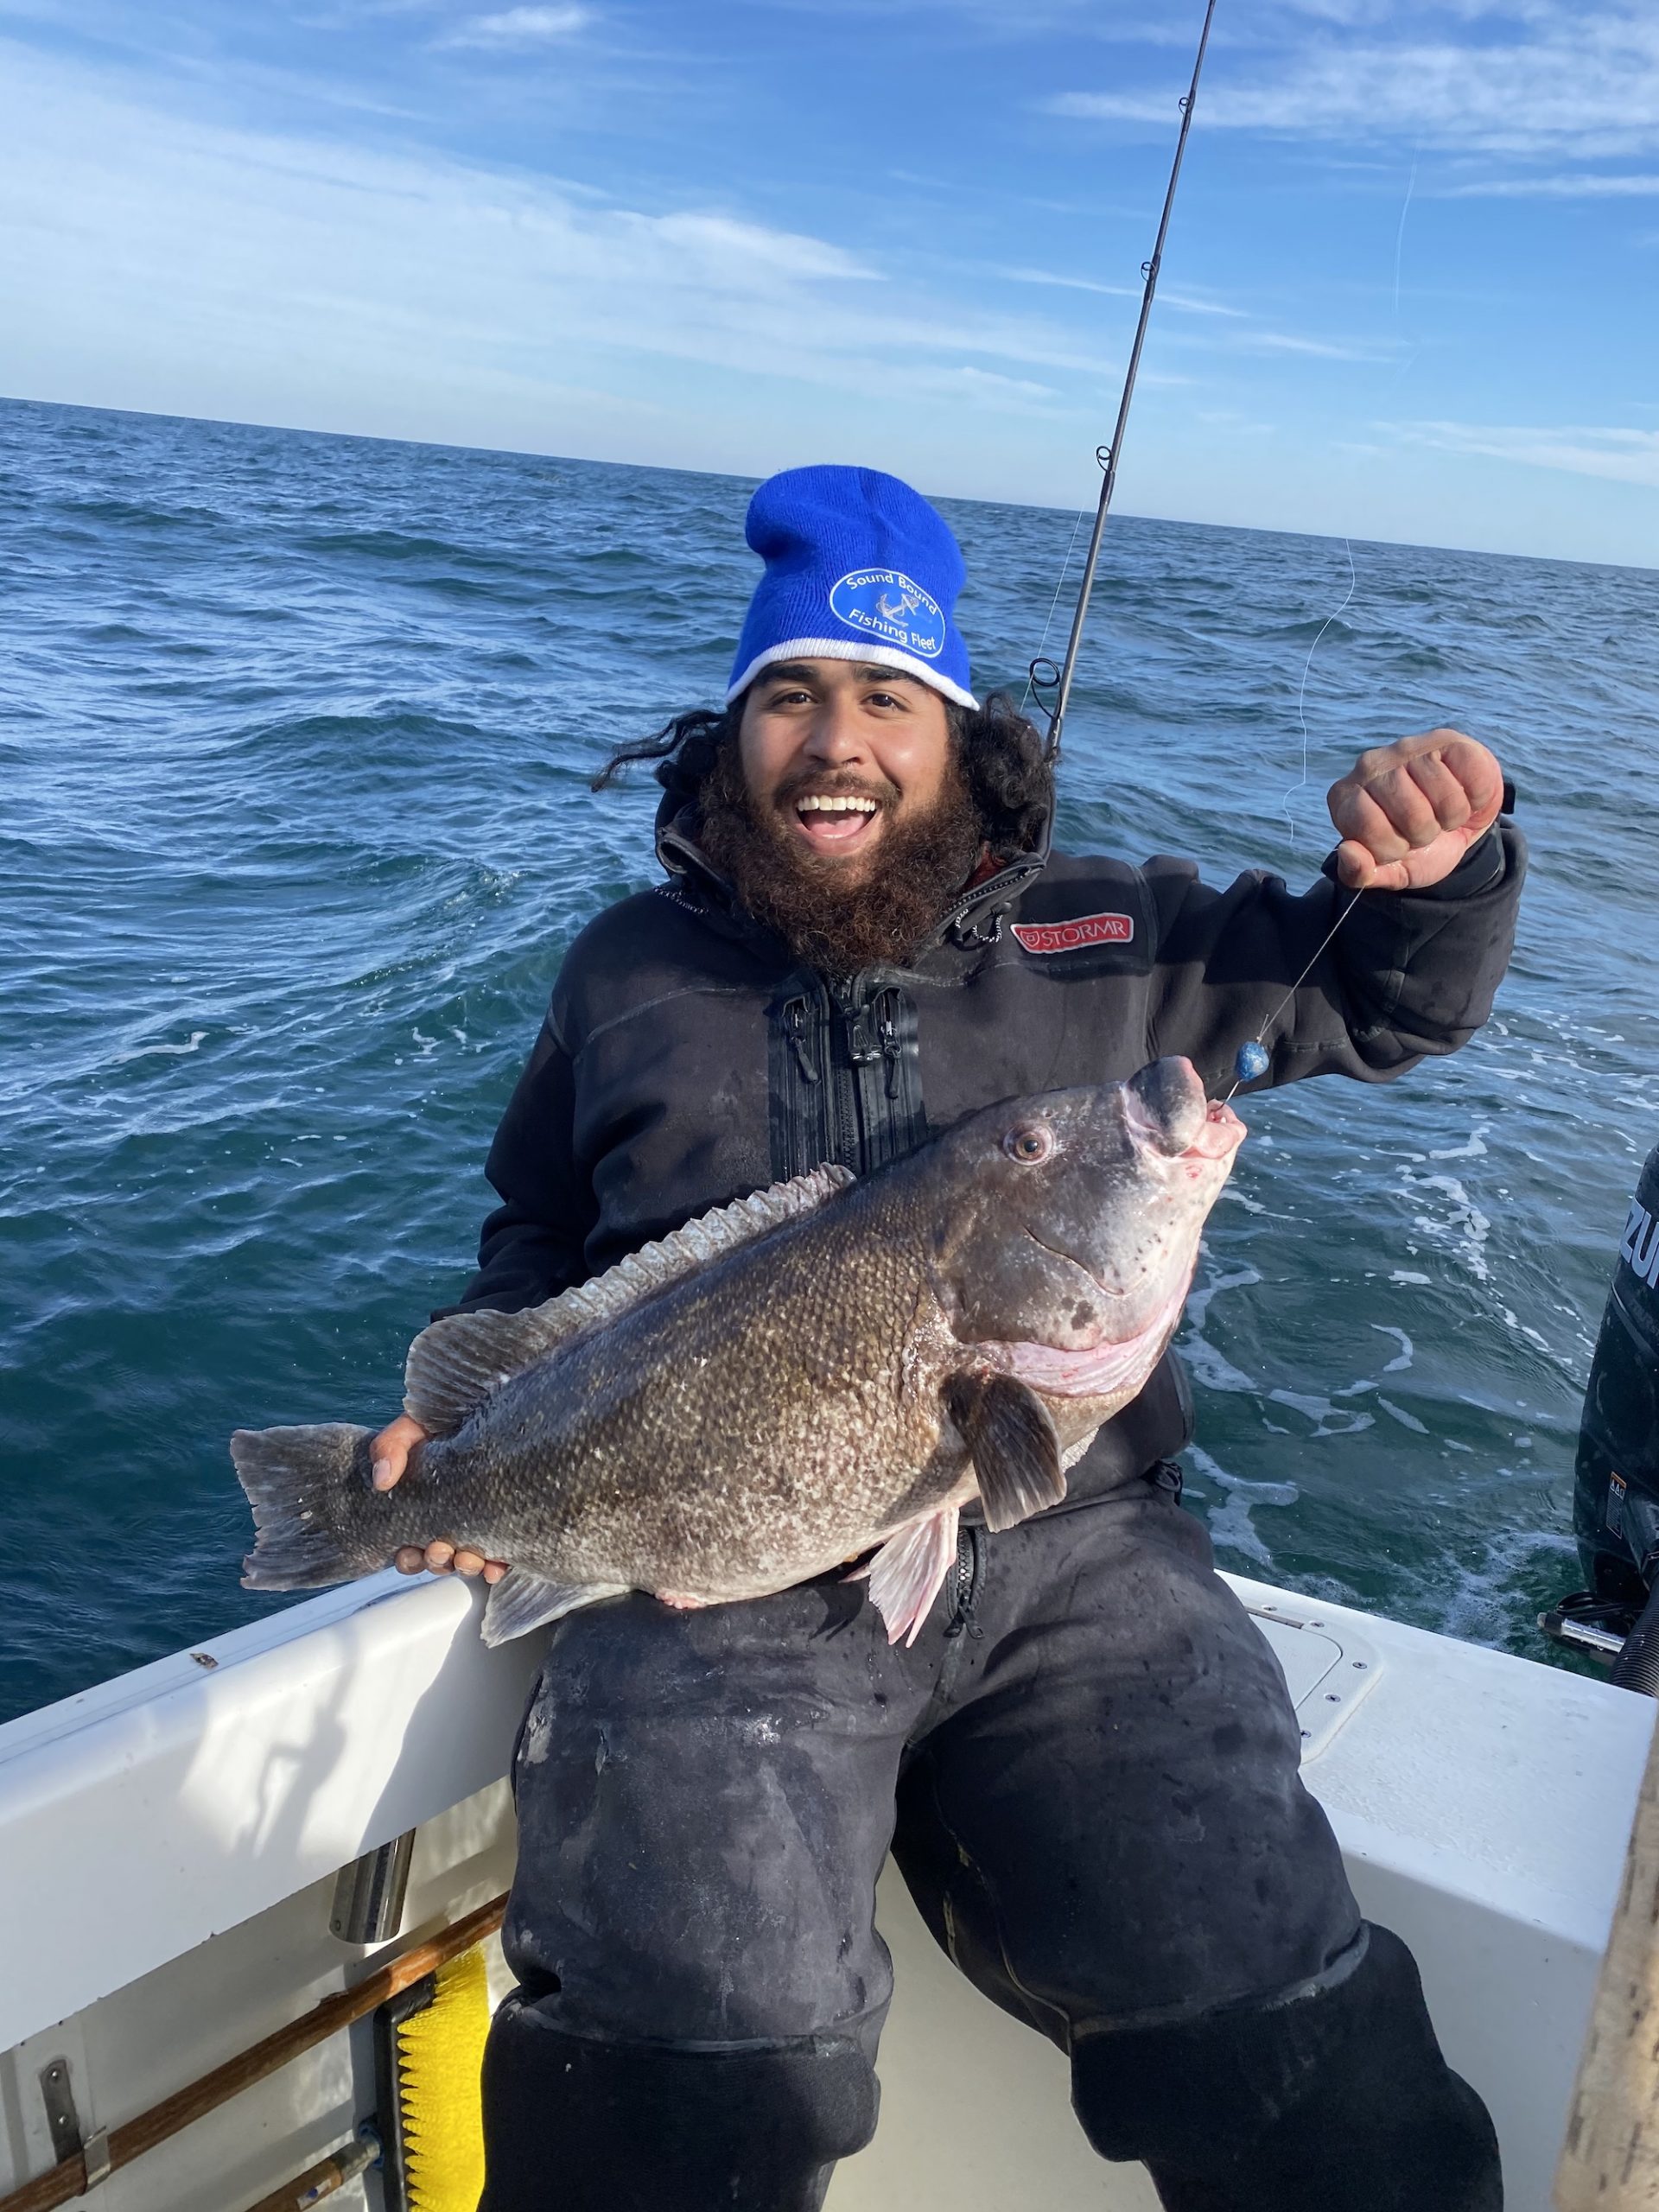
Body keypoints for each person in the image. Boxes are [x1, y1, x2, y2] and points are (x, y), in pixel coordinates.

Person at [372, 466, 1520, 2210]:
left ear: (961, 739)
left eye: (886, 697)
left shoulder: (1122, 929)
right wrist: (473, 1414)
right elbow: (535, 1233)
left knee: (1283, 2021)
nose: (836, 742)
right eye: (789, 694)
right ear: (735, 733)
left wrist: (1441, 877)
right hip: (711, 1574)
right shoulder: (623, 971)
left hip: (1083, 1556)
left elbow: (1383, 994)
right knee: (682, 2063)